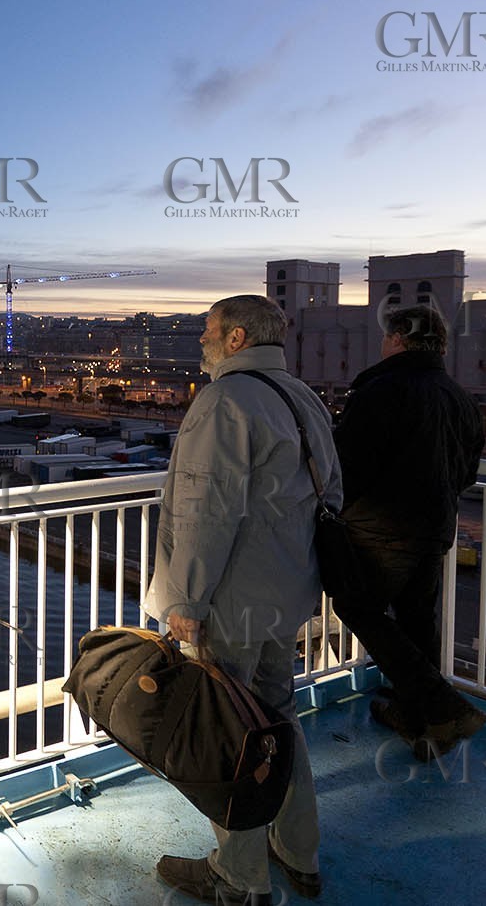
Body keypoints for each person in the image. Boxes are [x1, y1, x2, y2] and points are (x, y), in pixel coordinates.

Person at [146, 294, 337, 905]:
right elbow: (329, 488)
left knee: (231, 733)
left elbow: (207, 510)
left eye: (207, 330)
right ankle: (298, 851)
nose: (199, 339)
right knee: (278, 717)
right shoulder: (301, 396)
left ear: (234, 338)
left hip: (231, 601)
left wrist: (188, 601)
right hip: (286, 593)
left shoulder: (223, 401)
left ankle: (237, 874)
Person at [331, 304, 486, 761]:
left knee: (356, 606)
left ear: (398, 339)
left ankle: (441, 704)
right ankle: (424, 725)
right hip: (435, 529)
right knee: (418, 621)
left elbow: (349, 468)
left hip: (381, 531)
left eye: (386, 336)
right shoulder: (458, 395)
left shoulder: (381, 389)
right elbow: (468, 471)